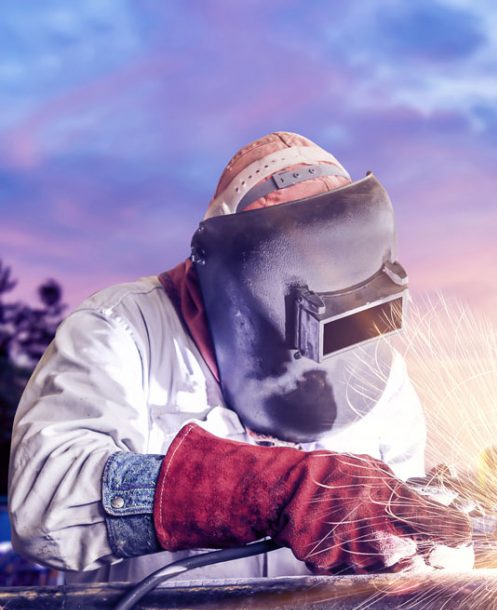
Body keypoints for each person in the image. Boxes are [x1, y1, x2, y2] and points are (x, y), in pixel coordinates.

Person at [8, 132, 470, 583]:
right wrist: (274, 491)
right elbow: (46, 507)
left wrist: (429, 539)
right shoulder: (121, 329)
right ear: (235, 270)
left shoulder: (380, 373)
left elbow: (406, 538)